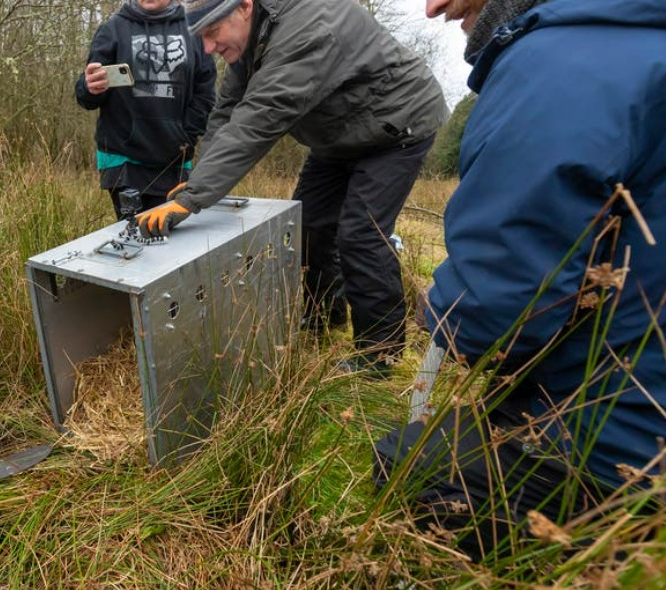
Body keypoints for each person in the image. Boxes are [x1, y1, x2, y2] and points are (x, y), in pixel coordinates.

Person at [374, 0, 666, 561]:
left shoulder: (561, 62)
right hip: (662, 401)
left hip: (633, 454)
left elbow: (495, 311)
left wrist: (443, 311)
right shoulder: (655, 44)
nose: (431, 8)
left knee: (405, 464)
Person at [134, 0, 448, 374]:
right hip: (337, 136)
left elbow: (258, 118)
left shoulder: (307, 28)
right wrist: (196, 181)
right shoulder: (252, 41)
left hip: (396, 126)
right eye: (201, 37)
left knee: (360, 234)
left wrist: (194, 198)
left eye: (212, 32)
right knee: (308, 227)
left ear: (245, 7)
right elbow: (229, 110)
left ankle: (380, 354)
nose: (208, 48)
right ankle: (322, 318)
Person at [75, 0, 217, 220]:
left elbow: (205, 95)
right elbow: (86, 96)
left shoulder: (195, 31)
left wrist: (185, 135)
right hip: (122, 159)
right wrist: (89, 87)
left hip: (174, 158)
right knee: (133, 239)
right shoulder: (113, 29)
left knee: (172, 240)